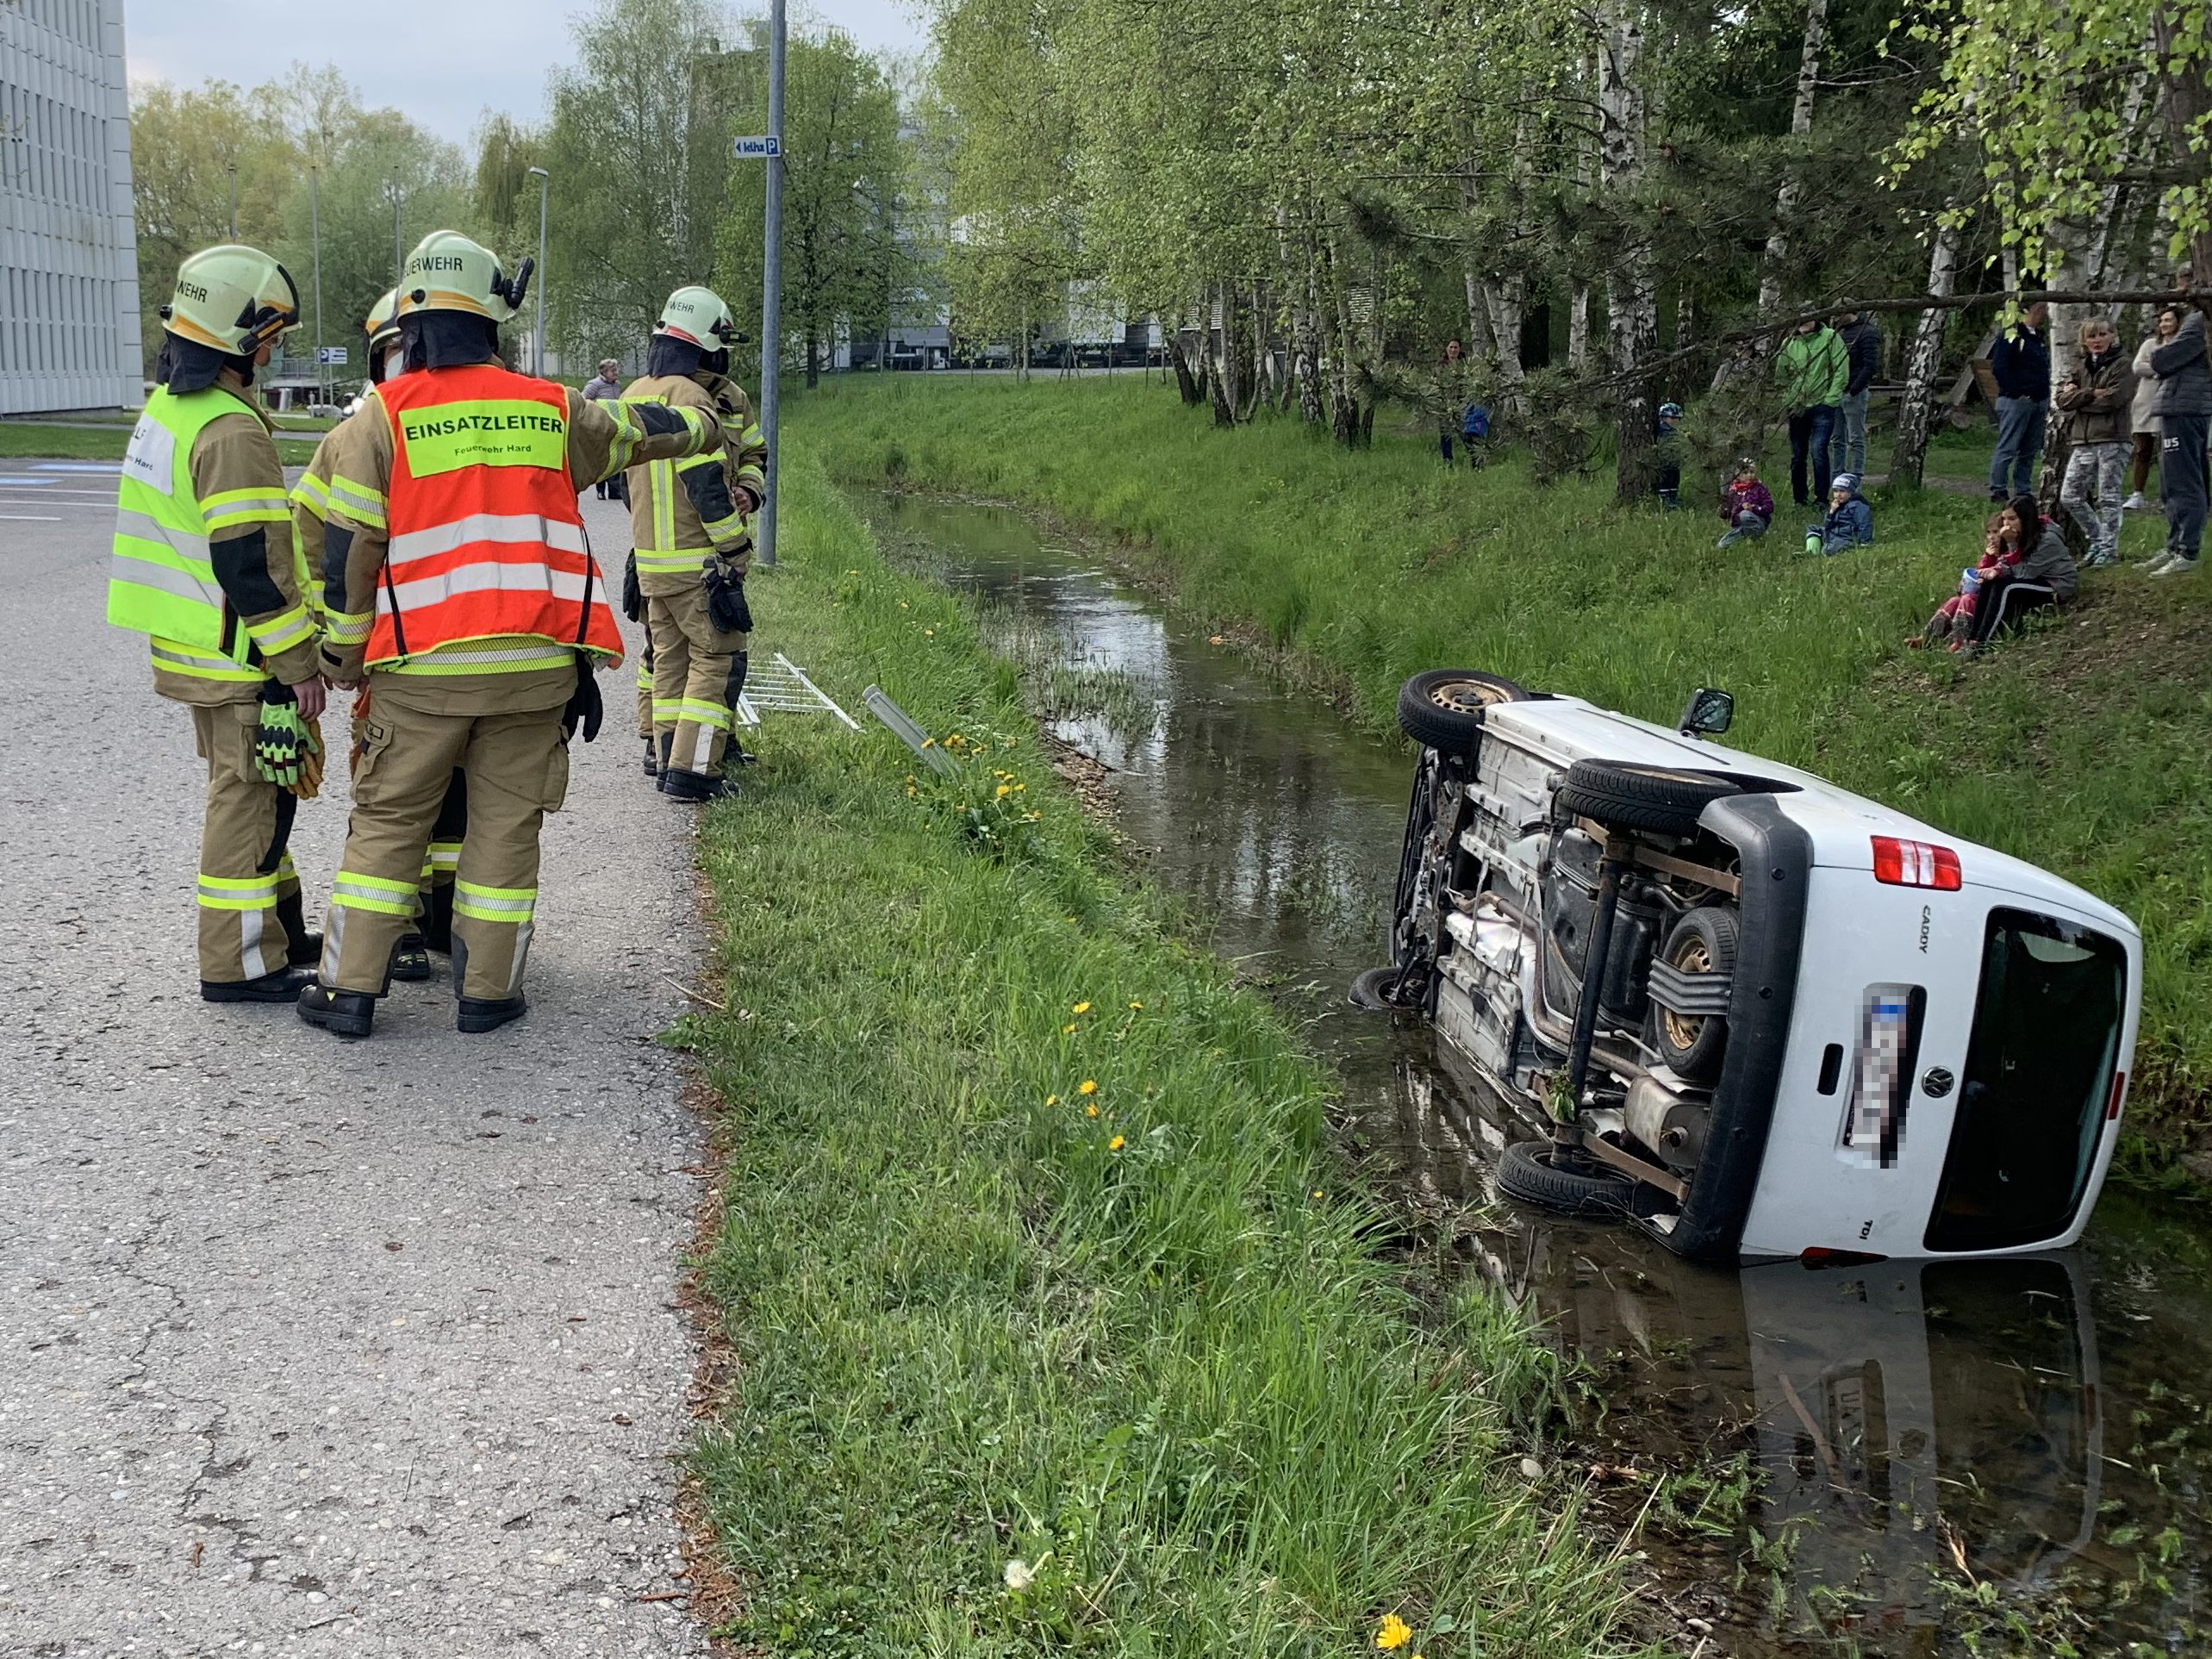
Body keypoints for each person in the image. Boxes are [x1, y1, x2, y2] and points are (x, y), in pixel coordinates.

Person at [295, 229, 723, 1040]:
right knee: (505, 826)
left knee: (390, 825)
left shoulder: (377, 421)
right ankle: (488, 992)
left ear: (410, 327)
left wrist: (339, 657)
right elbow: (642, 431)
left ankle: (350, 990)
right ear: (496, 319)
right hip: (535, 672)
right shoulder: (552, 409)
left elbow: (340, 547)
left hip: (420, 671)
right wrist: (709, 420)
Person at [106, 244, 326, 1003]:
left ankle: (281, 931)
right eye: (268, 335)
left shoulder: (168, 409)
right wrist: (299, 667)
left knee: (263, 789)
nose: (273, 348)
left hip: (199, 646)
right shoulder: (230, 431)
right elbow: (251, 569)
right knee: (246, 797)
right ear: (237, 338)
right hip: (241, 654)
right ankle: (237, 963)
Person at [291, 289, 464, 983]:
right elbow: (312, 535)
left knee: (437, 795)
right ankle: (405, 934)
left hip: (432, 651)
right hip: (402, 656)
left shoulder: (414, 426)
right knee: (399, 799)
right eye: (396, 349)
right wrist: (340, 643)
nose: (408, 360)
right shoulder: (356, 433)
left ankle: (431, 921)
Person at [622, 284, 770, 801]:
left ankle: (666, 760)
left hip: (652, 562)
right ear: (706, 344)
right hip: (698, 562)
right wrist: (734, 550)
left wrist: (749, 490)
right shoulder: (696, 400)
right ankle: (694, 771)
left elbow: (627, 487)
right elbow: (706, 488)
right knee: (717, 658)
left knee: (670, 660)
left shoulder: (634, 392)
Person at [2054, 317, 2134, 567]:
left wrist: (2079, 399)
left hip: (2112, 437)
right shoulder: (2081, 368)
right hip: (2083, 439)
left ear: (2112, 336)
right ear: (2084, 341)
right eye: (2092, 336)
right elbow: (2061, 401)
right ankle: (2098, 542)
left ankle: (2109, 550)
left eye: (2102, 335)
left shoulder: (2123, 365)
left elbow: (2113, 400)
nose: (2097, 341)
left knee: (2109, 495)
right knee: (2070, 495)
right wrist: (2090, 393)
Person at [1961, 494, 2078, 656]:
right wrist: (1995, 571)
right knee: (1990, 582)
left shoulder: (2048, 539)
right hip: (2031, 579)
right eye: (2004, 519)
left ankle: (1983, 644)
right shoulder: (2017, 535)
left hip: (2055, 584)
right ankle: (1972, 638)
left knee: (2006, 586)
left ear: (2025, 519)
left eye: (2012, 519)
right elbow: (2007, 563)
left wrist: (2011, 544)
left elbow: (2025, 573)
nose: (2006, 525)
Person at [2147, 304, 2209, 577]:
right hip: (2184, 405)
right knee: (2171, 481)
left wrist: (2158, 354)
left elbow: (2162, 360)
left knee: (2184, 481)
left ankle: (2187, 550)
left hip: (2186, 404)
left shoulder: (2199, 320)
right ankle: (2175, 545)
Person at [1910, 511, 2016, 651]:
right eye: (1988, 533)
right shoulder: (1990, 553)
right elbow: (1979, 573)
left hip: (1991, 599)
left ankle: (1960, 640)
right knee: (1954, 601)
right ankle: (1928, 636)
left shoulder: (2008, 553)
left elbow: (1997, 574)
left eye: (1995, 532)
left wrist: (1990, 563)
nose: (1991, 537)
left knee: (1967, 599)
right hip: (1980, 594)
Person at [1774, 315, 1847, 508]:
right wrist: (1789, 398)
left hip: (1822, 405)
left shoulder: (1830, 337)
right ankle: (1799, 498)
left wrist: (1830, 399)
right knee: (1798, 455)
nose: (1805, 322)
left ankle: (1821, 498)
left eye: (1809, 318)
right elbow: (1781, 374)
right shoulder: (1789, 342)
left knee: (1818, 450)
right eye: (1801, 319)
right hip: (1797, 406)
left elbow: (1841, 370)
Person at [1986, 301, 2051, 500]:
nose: (2044, 314)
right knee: (2008, 446)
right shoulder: (2012, 334)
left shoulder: (2037, 337)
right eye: (2040, 309)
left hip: (2038, 399)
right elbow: (1999, 367)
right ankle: (1998, 488)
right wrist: (2015, 391)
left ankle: (2023, 489)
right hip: (2016, 400)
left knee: (2029, 449)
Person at [2124, 305, 2181, 510]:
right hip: (2146, 401)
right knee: (2142, 449)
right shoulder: (2150, 344)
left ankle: (2170, 496)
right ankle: (2137, 493)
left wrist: (2157, 367)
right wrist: (2160, 370)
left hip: (2171, 402)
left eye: (2169, 320)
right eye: (2162, 320)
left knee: (2170, 450)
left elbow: (2179, 366)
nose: (2164, 324)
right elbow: (2138, 366)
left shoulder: (2182, 344)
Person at [1835, 311, 1881, 477]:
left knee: (1855, 439)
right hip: (1837, 392)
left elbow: (1870, 366)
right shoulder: (1840, 333)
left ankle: (1855, 480)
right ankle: (1837, 481)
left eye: (1838, 314)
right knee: (1837, 441)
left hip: (1855, 393)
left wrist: (1854, 390)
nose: (1836, 318)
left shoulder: (1867, 332)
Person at [1801, 472, 1873, 556]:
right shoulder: (1836, 504)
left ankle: (1826, 550)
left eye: (1842, 491)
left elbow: (1864, 524)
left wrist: (1864, 543)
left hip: (1846, 537)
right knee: (1813, 528)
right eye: (1835, 491)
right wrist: (1831, 512)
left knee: (1831, 548)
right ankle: (1811, 552)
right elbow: (1826, 526)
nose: (1838, 495)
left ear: (1851, 492)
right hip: (1833, 534)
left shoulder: (1858, 505)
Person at [582, 358, 624, 498]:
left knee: (615, 456)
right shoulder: (594, 385)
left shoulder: (617, 385)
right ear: (604, 372)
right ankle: (600, 490)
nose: (615, 373)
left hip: (615, 424)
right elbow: (583, 400)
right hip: (600, 425)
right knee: (602, 457)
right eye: (612, 370)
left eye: (616, 370)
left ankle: (614, 491)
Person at [1716, 457, 1773, 546]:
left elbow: (1769, 508)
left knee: (1744, 514)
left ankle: (1754, 533)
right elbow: (1730, 510)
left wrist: (1753, 508)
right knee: (1722, 544)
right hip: (1739, 525)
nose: (1749, 475)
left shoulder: (1760, 488)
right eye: (1745, 473)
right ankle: (1743, 538)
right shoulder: (1733, 490)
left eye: (1752, 472)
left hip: (1758, 522)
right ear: (1738, 475)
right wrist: (1724, 511)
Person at [1432, 338, 1469, 466]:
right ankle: (1448, 462)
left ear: (1459, 350)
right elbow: (1435, 383)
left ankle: (1476, 458)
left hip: (1460, 404)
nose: (1453, 350)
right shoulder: (1441, 366)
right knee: (1445, 434)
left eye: (1456, 347)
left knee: (1465, 433)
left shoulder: (1464, 366)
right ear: (1447, 349)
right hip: (1444, 404)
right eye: (1451, 347)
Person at [1654, 402, 1684, 506]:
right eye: (1673, 418)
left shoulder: (1675, 432)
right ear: (1663, 418)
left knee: (1675, 478)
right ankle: (1665, 499)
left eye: (1678, 419)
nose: (1676, 421)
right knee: (1665, 480)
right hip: (1664, 462)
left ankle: (1673, 497)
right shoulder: (1661, 431)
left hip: (1674, 462)